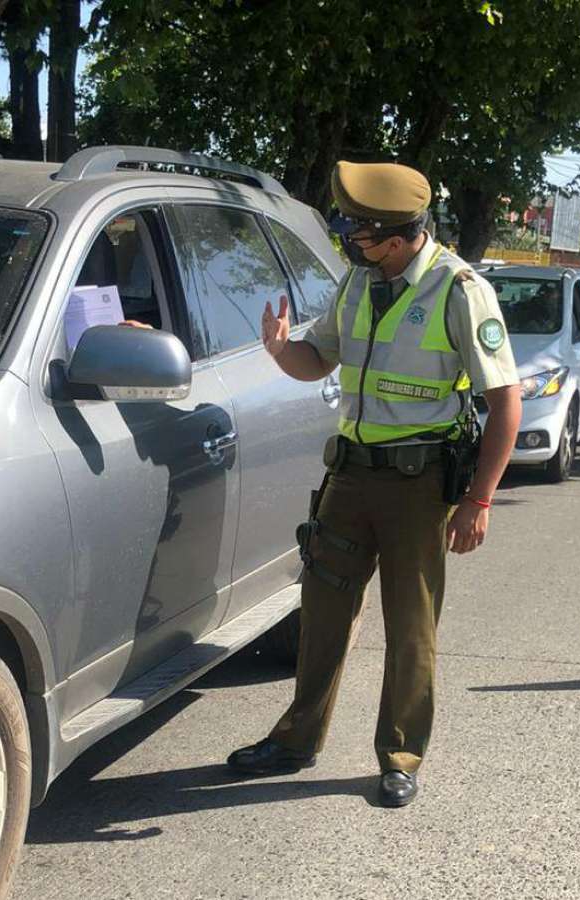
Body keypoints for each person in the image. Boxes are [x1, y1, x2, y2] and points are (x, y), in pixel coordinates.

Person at [226, 160, 523, 808]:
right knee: (323, 616)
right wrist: (280, 349)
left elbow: (507, 400)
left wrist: (479, 500)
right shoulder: (357, 284)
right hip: (349, 477)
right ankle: (295, 741)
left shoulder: (457, 289)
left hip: (418, 488)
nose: (348, 238)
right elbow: (318, 358)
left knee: (410, 628)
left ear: (396, 236)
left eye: (358, 230)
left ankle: (400, 754)